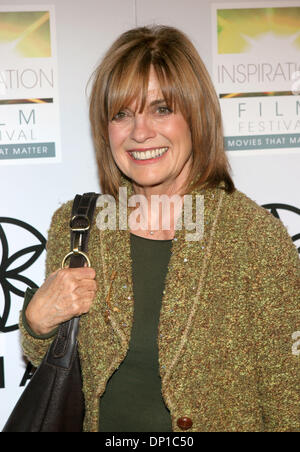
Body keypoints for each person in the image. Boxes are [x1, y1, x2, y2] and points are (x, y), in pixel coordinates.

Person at [20, 25, 299, 432]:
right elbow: (54, 366)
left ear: (196, 116)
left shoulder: (255, 240)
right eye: (122, 114)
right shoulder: (77, 226)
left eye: (161, 109)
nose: (140, 132)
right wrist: (37, 322)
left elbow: (289, 403)